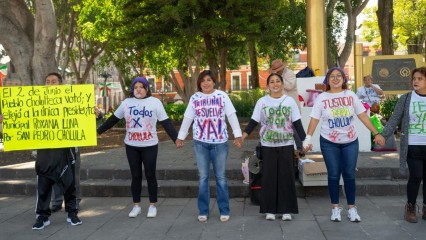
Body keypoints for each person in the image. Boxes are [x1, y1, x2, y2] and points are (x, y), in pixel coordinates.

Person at [303, 67, 385, 223]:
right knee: (333, 175)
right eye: (331, 76)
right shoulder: (322, 98)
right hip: (329, 142)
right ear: (327, 80)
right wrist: (307, 139)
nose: (335, 79)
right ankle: (335, 208)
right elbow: (314, 119)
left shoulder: (350, 95)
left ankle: (351, 208)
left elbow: (362, 115)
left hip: (350, 142)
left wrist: (377, 133)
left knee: (349, 174)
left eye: (338, 76)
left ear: (344, 79)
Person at [97, 77, 178, 219]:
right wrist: (98, 131)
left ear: (147, 89)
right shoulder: (127, 103)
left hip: (150, 145)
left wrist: (176, 139)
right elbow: (113, 120)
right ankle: (136, 206)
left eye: (142, 87)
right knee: (135, 176)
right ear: (132, 90)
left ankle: (152, 205)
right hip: (131, 146)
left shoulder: (155, 102)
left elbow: (166, 123)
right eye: (136, 87)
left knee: (150, 174)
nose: (138, 89)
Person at [175, 70, 243, 223]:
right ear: (199, 83)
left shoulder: (222, 96)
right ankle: (203, 211)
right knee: (203, 177)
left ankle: (224, 210)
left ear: (214, 82)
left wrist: (237, 135)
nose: (206, 83)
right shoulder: (195, 98)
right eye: (203, 80)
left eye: (209, 80)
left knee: (221, 178)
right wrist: (180, 137)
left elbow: (231, 115)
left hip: (219, 143)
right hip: (200, 143)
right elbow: (188, 118)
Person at [241, 73, 306, 221]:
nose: (275, 84)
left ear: (282, 84)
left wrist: (304, 142)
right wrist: (243, 137)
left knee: (286, 177)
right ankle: (269, 210)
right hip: (267, 145)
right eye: (272, 81)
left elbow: (297, 124)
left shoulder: (290, 101)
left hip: (286, 144)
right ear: (268, 85)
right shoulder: (262, 102)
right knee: (269, 177)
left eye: (278, 81)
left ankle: (286, 210)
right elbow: (253, 122)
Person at [33, 72, 82, 230]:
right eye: (47, 81)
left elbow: (83, 117)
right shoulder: (36, 102)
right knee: (44, 185)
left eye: (54, 81)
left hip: (65, 151)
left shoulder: (71, 100)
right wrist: (8, 118)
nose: (50, 84)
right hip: (45, 151)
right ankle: (42, 216)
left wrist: (96, 114)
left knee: (69, 184)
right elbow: (26, 119)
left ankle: (72, 214)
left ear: (61, 84)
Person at [380, 67, 426, 223]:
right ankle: (411, 207)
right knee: (416, 176)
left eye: (420, 79)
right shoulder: (406, 99)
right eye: (414, 78)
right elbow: (394, 119)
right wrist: (383, 135)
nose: (416, 81)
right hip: (412, 145)